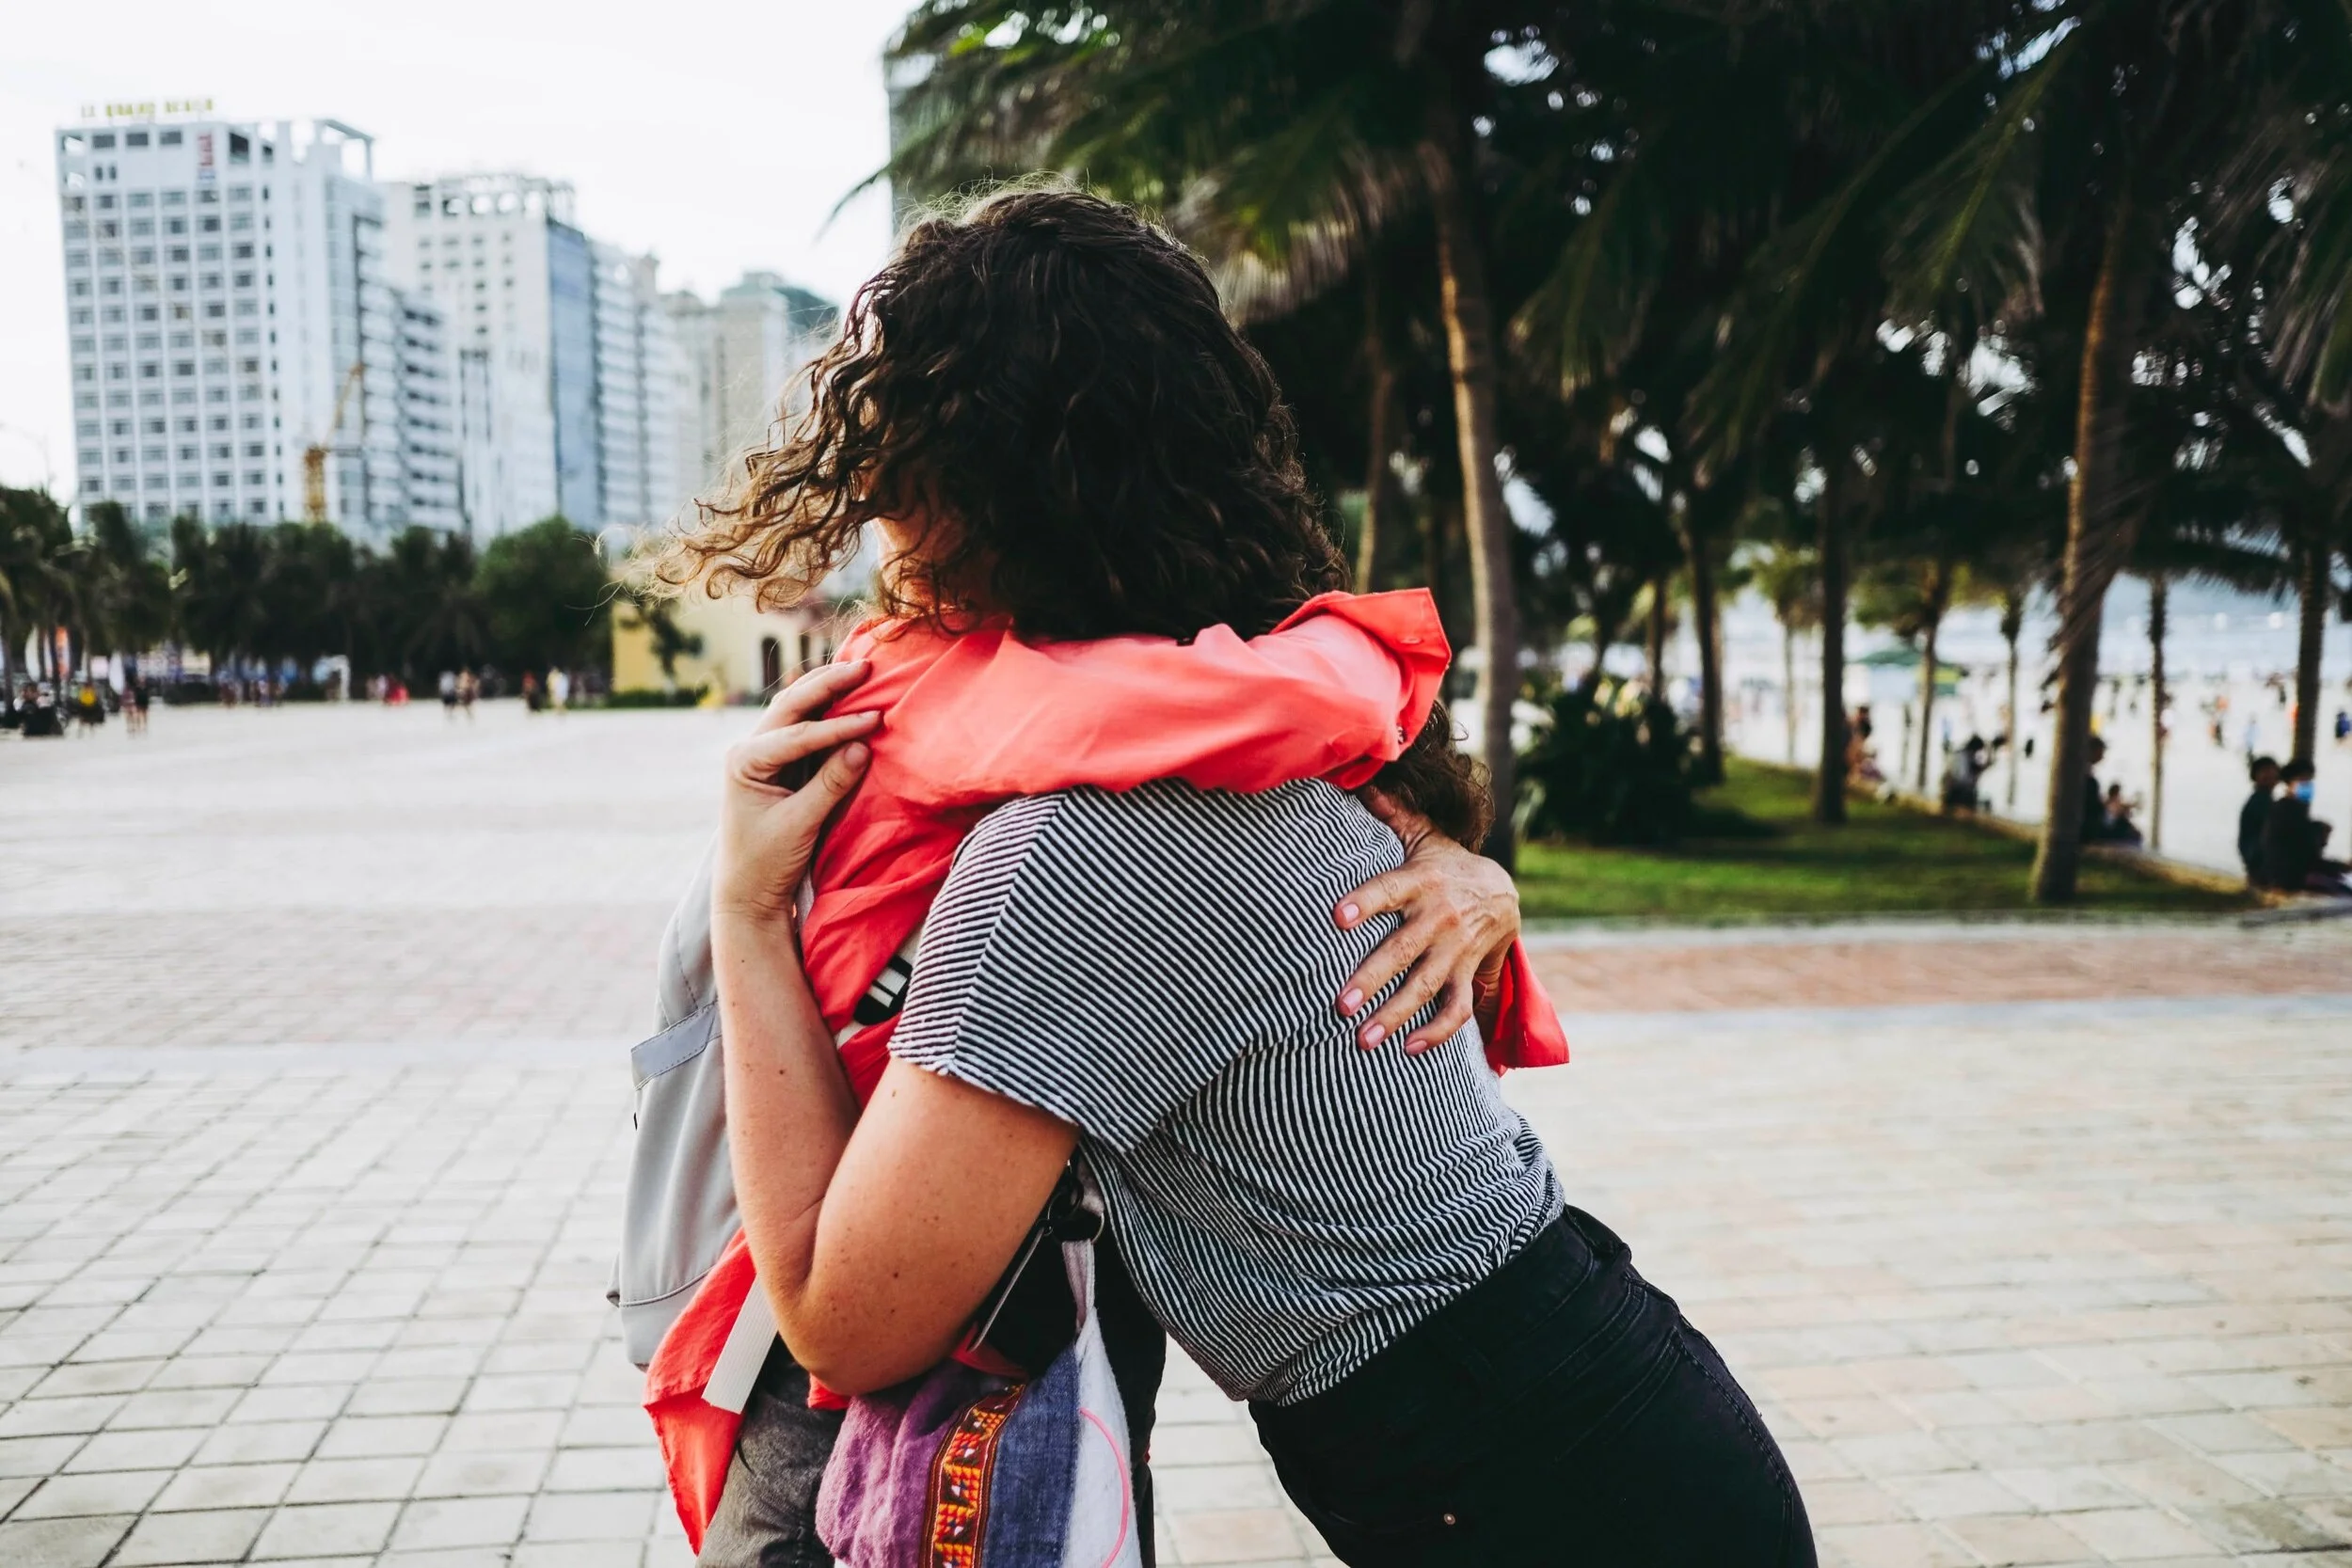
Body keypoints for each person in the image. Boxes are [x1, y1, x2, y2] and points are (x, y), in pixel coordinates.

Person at [672, 188, 1809, 1567]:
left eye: (898, 459)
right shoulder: (1253, 705)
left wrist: (745, 910)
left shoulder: (1075, 854)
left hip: (1538, 1488)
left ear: (978, 487)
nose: (879, 534)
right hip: (1605, 1406)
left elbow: (843, 1319)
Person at [2260, 759, 2347, 894]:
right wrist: (2340, 866)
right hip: (2290, 878)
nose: (2308, 786)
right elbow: (2303, 855)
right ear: (2289, 784)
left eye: (2309, 781)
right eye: (2303, 781)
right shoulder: (2285, 811)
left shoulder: (2294, 810)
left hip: (2292, 875)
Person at [2240, 755, 2280, 883]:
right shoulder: (2260, 801)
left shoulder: (2264, 799)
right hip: (2259, 861)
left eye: (2272, 771)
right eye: (2265, 771)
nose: (2269, 775)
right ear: (2255, 776)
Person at [1941, 735, 1988, 815]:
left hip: (1957, 788)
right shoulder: (1962, 756)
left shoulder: (1964, 755)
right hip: (1957, 789)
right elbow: (1962, 776)